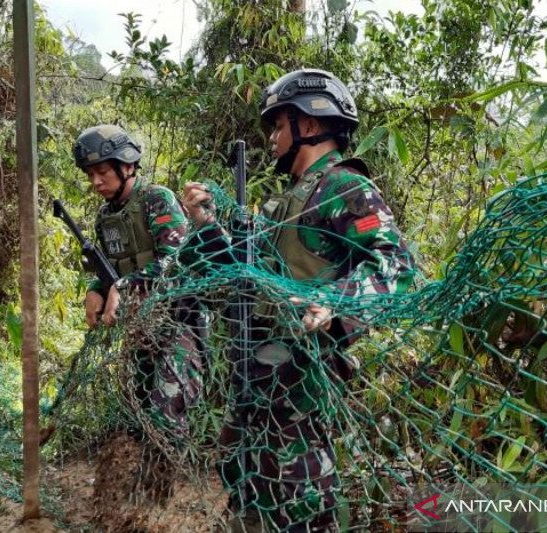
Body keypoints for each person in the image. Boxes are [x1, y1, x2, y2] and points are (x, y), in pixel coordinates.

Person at [182, 69, 415, 531]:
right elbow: (243, 275)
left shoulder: (344, 188)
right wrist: (207, 225)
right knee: (246, 482)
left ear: (308, 125)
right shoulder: (288, 201)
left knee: (301, 498)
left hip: (301, 378)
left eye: (277, 125)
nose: (271, 138)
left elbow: (396, 263)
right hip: (258, 372)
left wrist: (334, 301)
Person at [74, 124, 203, 439]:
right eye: (90, 174)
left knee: (167, 415)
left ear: (127, 165)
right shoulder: (106, 216)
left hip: (177, 325)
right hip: (139, 329)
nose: (96, 181)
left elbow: (176, 262)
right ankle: (143, 485)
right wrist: (96, 290)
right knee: (137, 415)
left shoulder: (156, 199)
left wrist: (125, 286)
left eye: (102, 171)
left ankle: (162, 481)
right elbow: (109, 269)